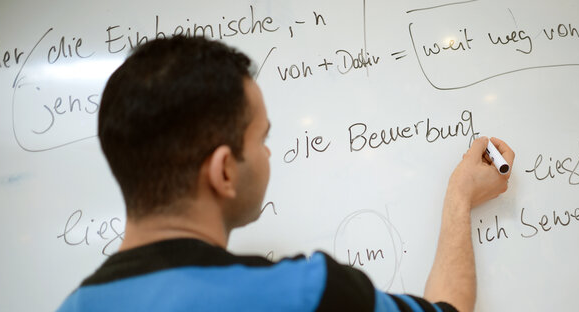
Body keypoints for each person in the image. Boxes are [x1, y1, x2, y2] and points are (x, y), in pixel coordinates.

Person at [57, 36, 514, 312]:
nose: (269, 154)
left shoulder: (73, 307)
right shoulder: (301, 293)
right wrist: (460, 198)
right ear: (223, 172)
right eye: (261, 138)